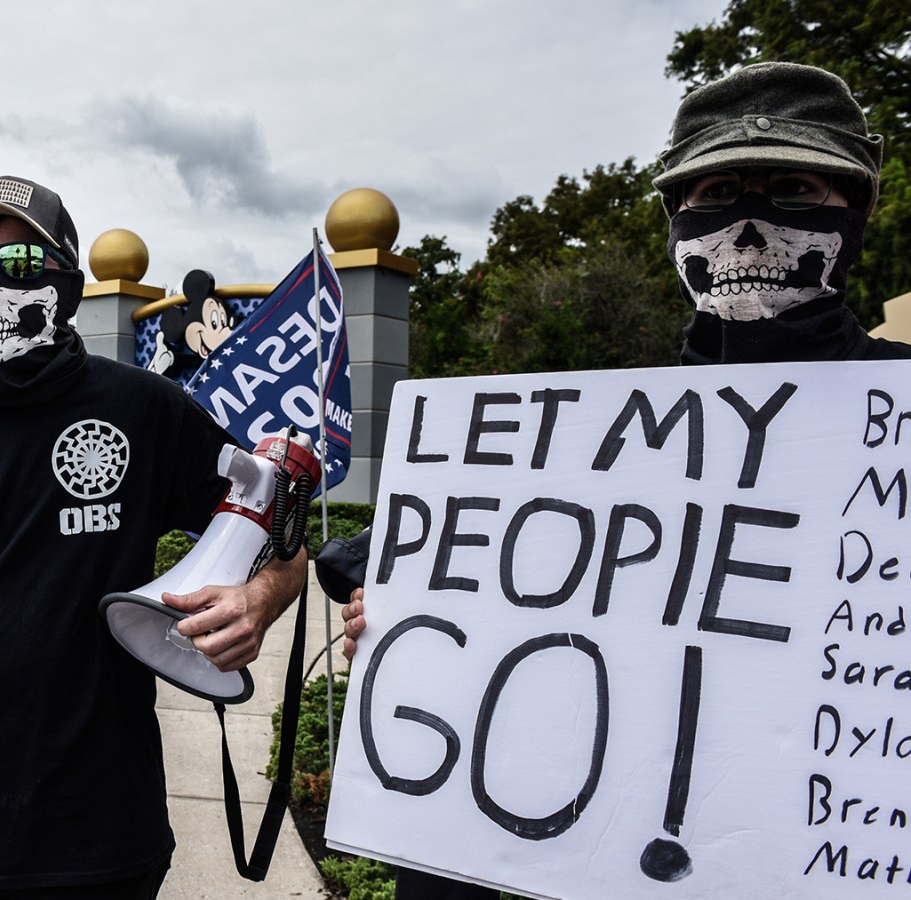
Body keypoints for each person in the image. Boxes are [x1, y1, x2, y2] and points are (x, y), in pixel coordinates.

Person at [338, 60, 909, 900]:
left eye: (794, 188)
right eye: (717, 194)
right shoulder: (593, 440)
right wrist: (408, 621)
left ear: (853, 211)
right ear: (676, 220)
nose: (750, 227)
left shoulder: (898, 423)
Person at [0, 175, 307, 899]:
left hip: (106, 834)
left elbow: (284, 540)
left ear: (67, 287)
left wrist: (259, 601)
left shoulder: (144, 409)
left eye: (17, 264)